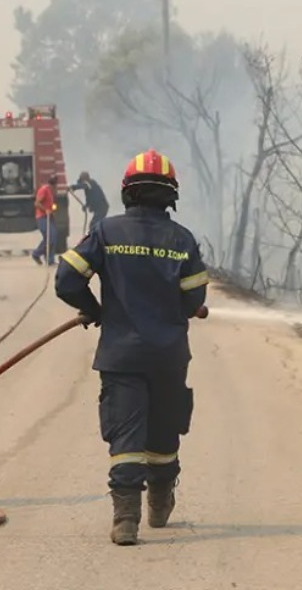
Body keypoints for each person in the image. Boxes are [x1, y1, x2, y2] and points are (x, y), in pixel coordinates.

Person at [54, 149, 209, 546]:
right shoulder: (183, 239)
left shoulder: (107, 232)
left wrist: (95, 309)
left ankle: (125, 519)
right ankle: (159, 503)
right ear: (170, 195)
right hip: (168, 356)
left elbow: (67, 279)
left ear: (128, 192)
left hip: (121, 355)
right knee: (163, 432)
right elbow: (194, 300)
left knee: (125, 436)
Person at [31, 174, 58, 265]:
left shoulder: (50, 191)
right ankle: (36, 253)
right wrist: (45, 210)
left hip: (49, 218)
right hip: (42, 217)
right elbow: (37, 203)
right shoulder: (44, 190)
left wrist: (52, 211)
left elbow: (51, 205)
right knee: (50, 237)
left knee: (52, 238)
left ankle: (50, 260)